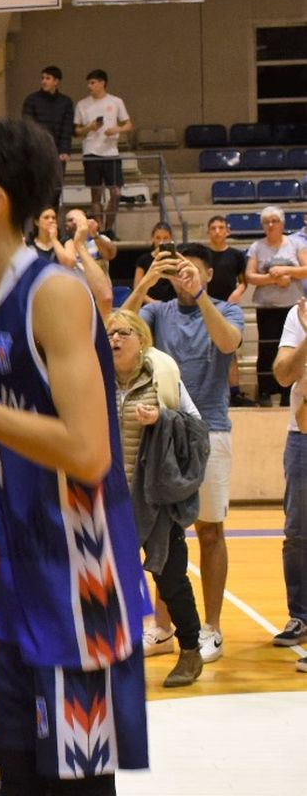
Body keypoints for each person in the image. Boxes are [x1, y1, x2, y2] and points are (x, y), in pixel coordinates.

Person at [0, 118, 148, 793]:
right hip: (21, 594)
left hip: (77, 598)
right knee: (15, 778)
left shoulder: (52, 292)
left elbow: (87, 452)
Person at [127, 243, 245, 664]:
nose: (184, 277)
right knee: (164, 535)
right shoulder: (157, 313)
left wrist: (199, 298)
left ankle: (211, 627)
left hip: (209, 430)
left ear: (209, 275)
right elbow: (116, 329)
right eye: (179, 272)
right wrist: (145, 284)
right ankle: (161, 628)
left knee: (210, 531)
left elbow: (228, 343)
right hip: (158, 433)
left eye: (193, 272)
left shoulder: (226, 311)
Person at [105, 310, 208, 687]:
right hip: (109, 500)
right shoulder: (97, 380)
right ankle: (116, 652)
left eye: (123, 332)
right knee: (111, 582)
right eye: (109, 333)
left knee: (172, 580)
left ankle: (190, 652)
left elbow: (197, 429)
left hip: (155, 500)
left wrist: (162, 418)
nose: (114, 339)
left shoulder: (163, 378)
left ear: (142, 340)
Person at [269, 297, 307, 667]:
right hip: (303, 434)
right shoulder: (299, 314)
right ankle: (301, 615)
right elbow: (282, 375)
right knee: (297, 532)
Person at [245, 206, 307, 407]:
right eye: (266, 222)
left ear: (282, 224)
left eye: (274, 221)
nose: (270, 225)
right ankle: (264, 391)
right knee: (267, 349)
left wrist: (285, 270)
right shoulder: (256, 246)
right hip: (267, 307)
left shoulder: (296, 243)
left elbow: (306, 269)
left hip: (292, 306)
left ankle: (287, 392)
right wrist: (273, 279)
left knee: (292, 348)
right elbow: (250, 276)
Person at [73, 69, 132, 235]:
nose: (89, 86)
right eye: (88, 83)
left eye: (92, 82)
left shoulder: (116, 101)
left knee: (116, 192)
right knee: (96, 193)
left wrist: (116, 129)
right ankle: (98, 230)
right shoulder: (82, 104)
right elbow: (76, 131)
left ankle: (108, 227)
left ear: (102, 83)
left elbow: (128, 124)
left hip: (111, 152)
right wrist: (89, 127)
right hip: (91, 151)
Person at [201, 215, 251, 406]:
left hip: (228, 309)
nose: (217, 231)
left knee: (231, 351)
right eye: (213, 228)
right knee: (204, 350)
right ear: (208, 231)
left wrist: (237, 293)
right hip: (206, 308)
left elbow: (243, 282)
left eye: (221, 227)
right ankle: (209, 392)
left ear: (227, 231)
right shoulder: (203, 255)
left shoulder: (237, 255)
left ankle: (235, 393)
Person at [21, 67, 75, 210]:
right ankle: (36, 227)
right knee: (37, 190)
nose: (44, 81)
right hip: (37, 152)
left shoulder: (66, 102)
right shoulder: (31, 100)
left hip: (57, 153)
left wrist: (64, 150)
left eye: (48, 78)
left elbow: (67, 128)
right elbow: (27, 127)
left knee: (55, 190)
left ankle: (52, 225)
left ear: (56, 81)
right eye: (42, 78)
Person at [132, 222, 178, 306]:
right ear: (152, 239)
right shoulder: (143, 260)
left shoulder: (176, 259)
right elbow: (137, 288)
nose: (161, 242)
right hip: (149, 305)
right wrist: (154, 304)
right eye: (158, 238)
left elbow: (179, 287)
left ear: (170, 239)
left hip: (171, 305)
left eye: (165, 238)